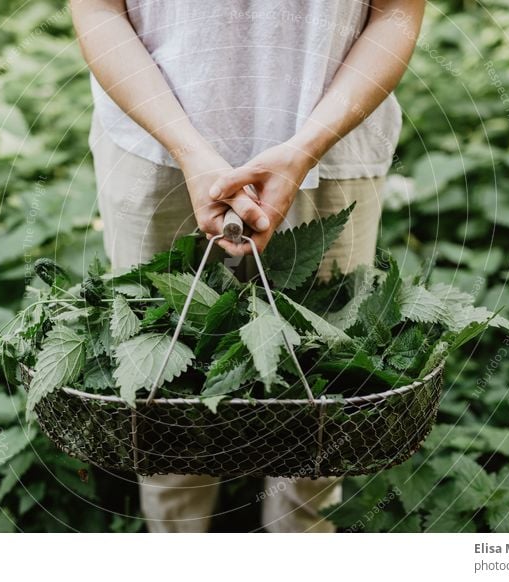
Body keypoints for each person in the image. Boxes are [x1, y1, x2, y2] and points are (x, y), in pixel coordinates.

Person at [70, 0, 424, 532]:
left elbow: (396, 11)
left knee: (316, 393)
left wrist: (306, 147)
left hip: (334, 151)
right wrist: (190, 150)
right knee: (166, 393)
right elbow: (98, 9)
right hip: (153, 147)